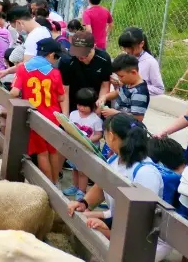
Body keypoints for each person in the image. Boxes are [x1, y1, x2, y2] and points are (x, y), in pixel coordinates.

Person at [67, 114, 173, 260]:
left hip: (146, 241)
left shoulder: (145, 173)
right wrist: (84, 203)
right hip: (121, 222)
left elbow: (141, 221)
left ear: (111, 136)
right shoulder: (115, 159)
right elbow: (103, 185)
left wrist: (109, 233)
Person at [10, 38, 66, 185]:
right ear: (51, 55)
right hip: (52, 117)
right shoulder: (55, 72)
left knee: (42, 153)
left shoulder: (23, 68)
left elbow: (15, 92)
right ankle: (55, 183)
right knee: (53, 151)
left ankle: (48, 186)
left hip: (35, 117)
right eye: (57, 57)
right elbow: (61, 97)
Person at [58, 31, 112, 116]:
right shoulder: (67, 61)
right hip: (75, 102)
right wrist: (66, 115)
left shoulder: (103, 59)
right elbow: (64, 90)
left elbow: (105, 85)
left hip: (95, 100)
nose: (80, 57)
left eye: (85, 54)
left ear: (93, 47)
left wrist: (98, 110)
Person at [63, 88, 104, 198]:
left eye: (85, 106)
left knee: (83, 171)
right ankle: (74, 186)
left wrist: (88, 140)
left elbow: (99, 134)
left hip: (87, 149)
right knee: (75, 169)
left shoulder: (95, 119)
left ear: (92, 105)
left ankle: (82, 190)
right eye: (79, 105)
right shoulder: (73, 114)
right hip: (75, 147)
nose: (81, 108)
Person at [99, 54, 150, 122]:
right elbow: (118, 92)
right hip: (118, 121)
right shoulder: (127, 83)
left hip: (127, 128)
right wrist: (105, 97)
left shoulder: (139, 93)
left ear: (133, 72)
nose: (119, 79)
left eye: (121, 76)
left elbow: (138, 118)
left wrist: (115, 113)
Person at [118, 27, 165, 96]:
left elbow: (159, 89)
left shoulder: (150, 62)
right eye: (124, 47)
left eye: (130, 47)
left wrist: (134, 86)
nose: (126, 51)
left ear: (141, 44)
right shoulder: (124, 57)